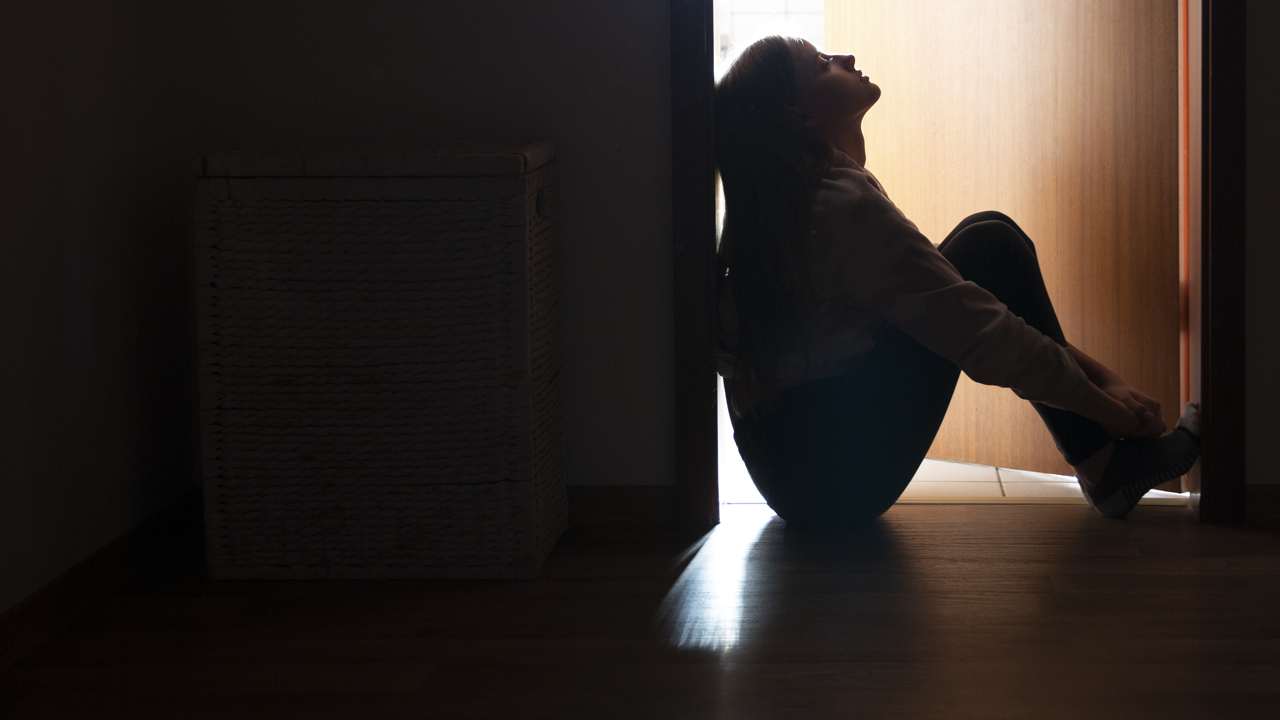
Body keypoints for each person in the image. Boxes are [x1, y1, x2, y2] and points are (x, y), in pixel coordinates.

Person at [714, 36, 1200, 528]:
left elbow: (959, 303)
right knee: (988, 249)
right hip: (830, 484)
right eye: (823, 64)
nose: (846, 58)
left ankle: (1104, 468)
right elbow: (982, 333)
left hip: (795, 470)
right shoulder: (833, 210)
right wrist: (1114, 416)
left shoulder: (795, 205)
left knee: (984, 242)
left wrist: (1108, 383)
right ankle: (1107, 468)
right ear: (801, 118)